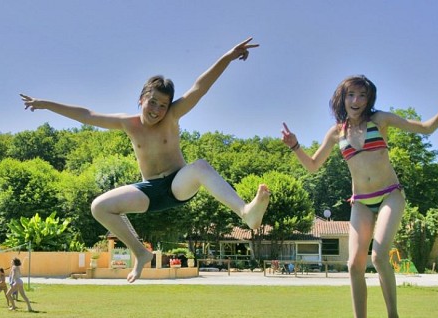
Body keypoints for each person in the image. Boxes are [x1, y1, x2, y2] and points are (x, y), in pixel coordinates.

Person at [21, 37, 271, 283]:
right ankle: (140, 252)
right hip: (149, 190)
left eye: (163, 105)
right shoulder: (127, 123)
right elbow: (86, 115)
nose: (156, 110)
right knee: (99, 206)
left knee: (200, 167)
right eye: (152, 102)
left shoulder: (172, 116)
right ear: (140, 99)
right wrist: (45, 104)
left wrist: (228, 56)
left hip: (177, 184)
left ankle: (245, 212)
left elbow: (199, 87)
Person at [281, 75, 438, 318]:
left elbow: (425, 128)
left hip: (390, 193)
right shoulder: (336, 133)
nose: (356, 101)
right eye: (351, 95)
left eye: (362, 96)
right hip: (361, 201)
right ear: (342, 98)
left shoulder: (381, 120)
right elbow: (314, 166)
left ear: (369, 99)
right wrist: (295, 146)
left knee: (378, 256)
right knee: (354, 263)